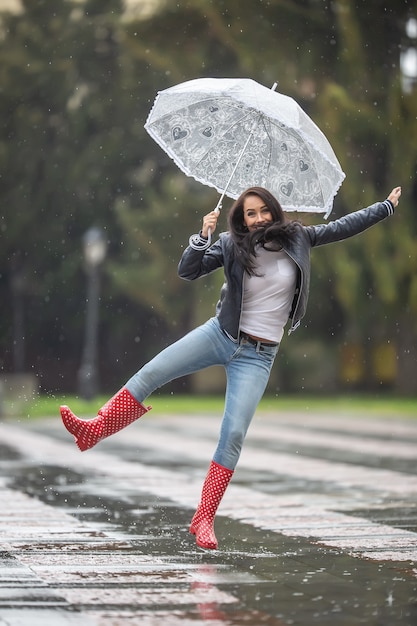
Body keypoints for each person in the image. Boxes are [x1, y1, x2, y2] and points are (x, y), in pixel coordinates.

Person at [61, 184, 402, 550]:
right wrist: (202, 237)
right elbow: (188, 271)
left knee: (233, 433)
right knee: (152, 372)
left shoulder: (299, 238)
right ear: (241, 218)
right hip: (219, 335)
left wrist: (385, 207)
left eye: (263, 211)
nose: (257, 219)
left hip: (258, 355)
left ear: (274, 210)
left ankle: (204, 517)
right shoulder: (229, 243)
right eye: (249, 214)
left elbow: (343, 226)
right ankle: (95, 429)